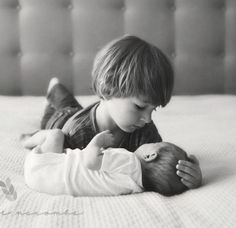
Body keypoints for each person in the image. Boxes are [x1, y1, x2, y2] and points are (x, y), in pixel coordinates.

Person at [29, 35, 202, 189]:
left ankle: (57, 89)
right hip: (62, 119)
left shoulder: (144, 131)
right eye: (140, 107)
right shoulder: (76, 133)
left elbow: (158, 165)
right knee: (62, 107)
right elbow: (56, 168)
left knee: (71, 104)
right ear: (109, 86)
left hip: (82, 114)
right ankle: (54, 88)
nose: (148, 119)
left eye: (154, 109)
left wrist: (187, 175)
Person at [24, 129, 189, 196]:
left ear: (150, 155)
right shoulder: (136, 188)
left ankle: (29, 140)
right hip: (49, 185)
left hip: (43, 168)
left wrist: (97, 142)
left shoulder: (130, 161)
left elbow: (89, 162)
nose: (150, 142)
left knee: (56, 134)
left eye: (155, 144)